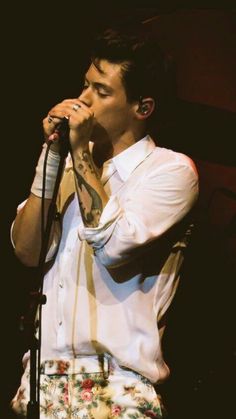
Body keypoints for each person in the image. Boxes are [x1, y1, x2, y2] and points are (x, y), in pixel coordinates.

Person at [11, 26, 199, 418]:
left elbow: (114, 246)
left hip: (114, 386)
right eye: (85, 85)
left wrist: (79, 153)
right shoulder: (66, 166)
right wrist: (51, 161)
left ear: (142, 108)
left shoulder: (170, 170)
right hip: (42, 382)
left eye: (101, 91)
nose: (82, 100)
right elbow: (27, 252)